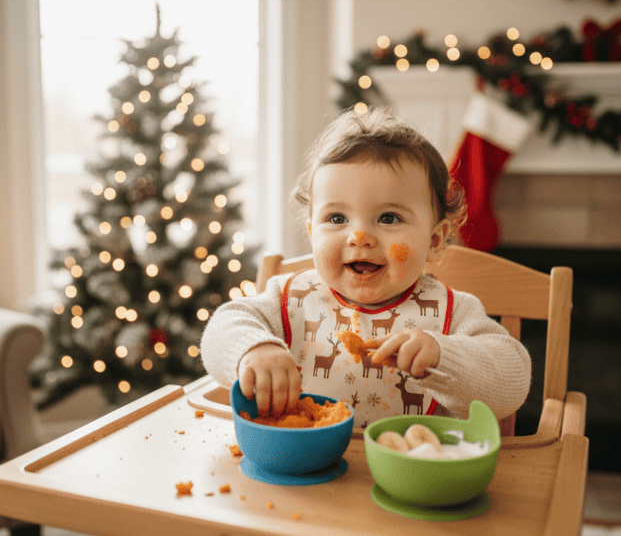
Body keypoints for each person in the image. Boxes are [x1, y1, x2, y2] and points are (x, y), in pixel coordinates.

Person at [201, 107, 530, 428]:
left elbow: (513, 378)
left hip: (411, 476)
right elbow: (223, 327)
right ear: (313, 232)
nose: (360, 237)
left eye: (388, 218)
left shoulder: (453, 312)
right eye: (337, 218)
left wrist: (443, 357)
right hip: (299, 473)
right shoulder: (288, 298)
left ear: (434, 240)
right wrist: (254, 349)